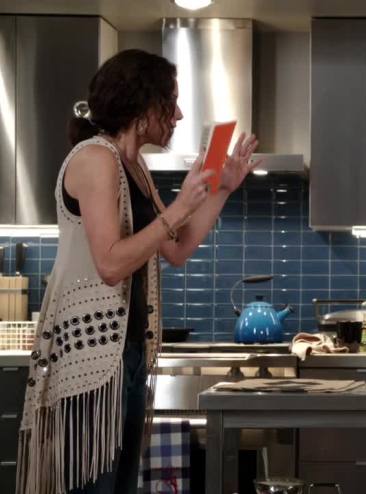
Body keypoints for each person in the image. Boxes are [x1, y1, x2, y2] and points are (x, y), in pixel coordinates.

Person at [16, 49, 260, 494]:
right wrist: (180, 206)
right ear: (143, 107)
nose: (178, 115)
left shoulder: (135, 167)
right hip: (89, 358)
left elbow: (177, 249)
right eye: (171, 102)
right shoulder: (95, 159)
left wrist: (222, 189)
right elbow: (111, 264)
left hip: (126, 356)